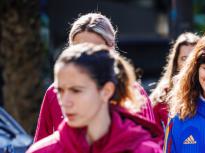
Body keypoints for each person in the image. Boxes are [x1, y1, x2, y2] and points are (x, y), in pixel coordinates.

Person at [33, 13, 155, 142]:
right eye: (79, 50)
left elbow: (149, 141)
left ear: (111, 48)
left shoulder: (135, 94)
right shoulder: (54, 93)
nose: (86, 57)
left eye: (94, 50)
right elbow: (42, 142)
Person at [27, 44, 163, 153]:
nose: (65, 101)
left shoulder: (145, 150)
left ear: (106, 91)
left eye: (76, 90)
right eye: (60, 91)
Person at [149, 32, 199, 128]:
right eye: (184, 58)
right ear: (176, 62)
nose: (189, 63)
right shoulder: (162, 95)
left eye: (193, 58)